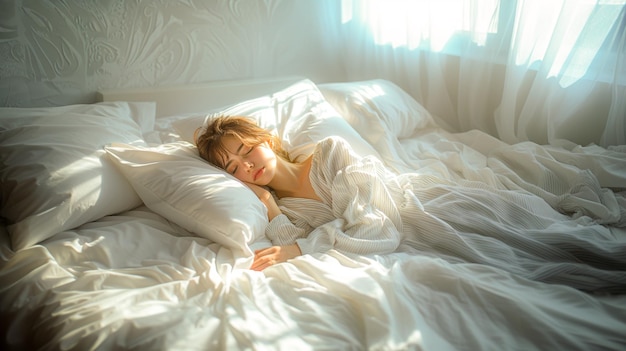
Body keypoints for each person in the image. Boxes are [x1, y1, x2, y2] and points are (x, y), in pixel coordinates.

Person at [196, 116, 626, 293]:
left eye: (246, 150)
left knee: (549, 237)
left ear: (266, 140)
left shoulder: (328, 152)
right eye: (231, 167)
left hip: (430, 205)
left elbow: (376, 226)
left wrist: (303, 247)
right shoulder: (286, 211)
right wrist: (270, 208)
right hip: (415, 237)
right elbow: (294, 238)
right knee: (531, 267)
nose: (244, 166)